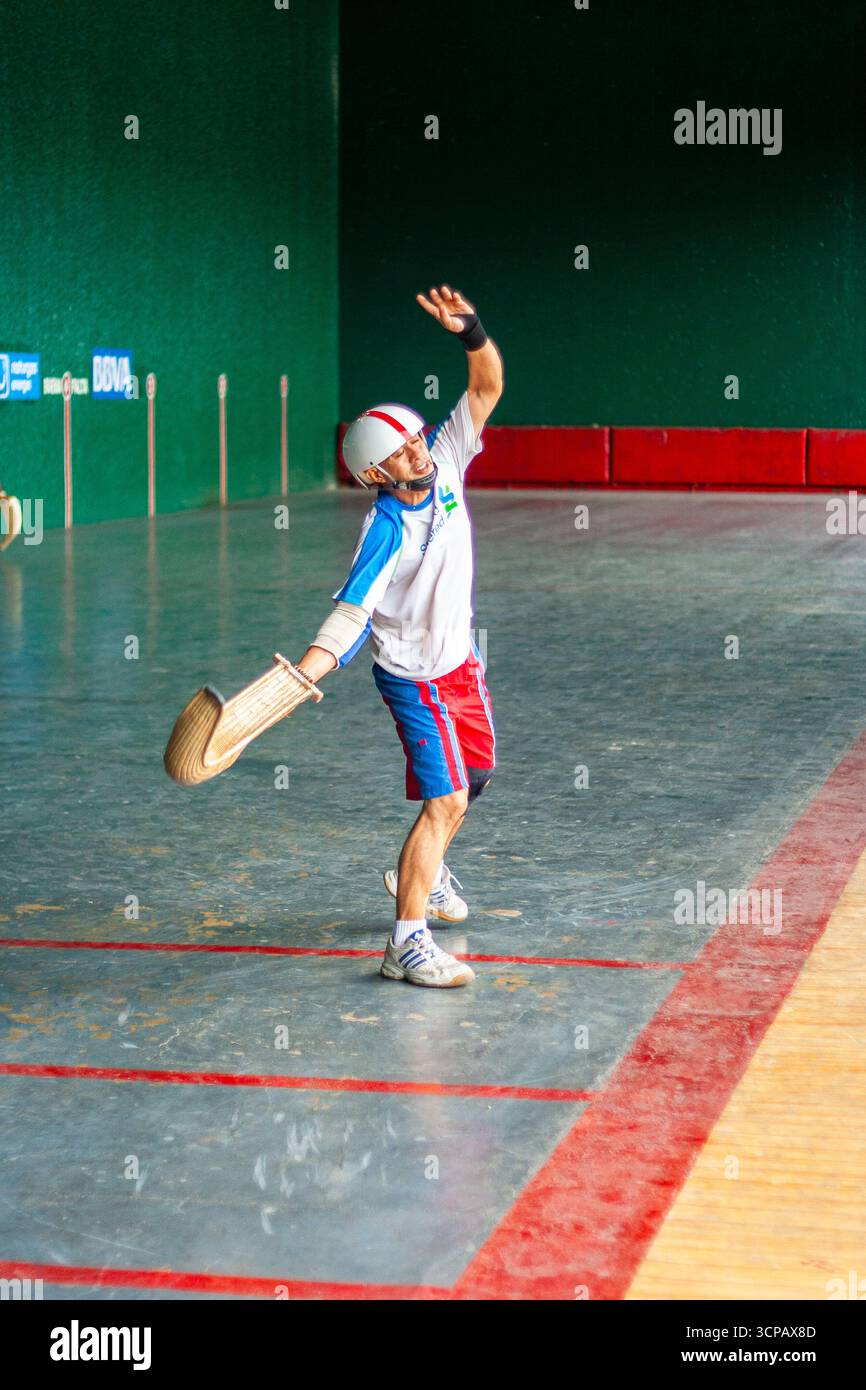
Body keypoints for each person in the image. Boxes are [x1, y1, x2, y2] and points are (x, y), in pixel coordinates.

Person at [293, 285, 504, 988]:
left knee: (474, 779)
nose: (417, 451)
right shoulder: (384, 529)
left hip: (460, 664)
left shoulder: (446, 460)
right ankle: (405, 945)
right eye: (401, 450)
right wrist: (310, 669)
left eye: (415, 439)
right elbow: (352, 611)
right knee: (444, 802)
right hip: (415, 678)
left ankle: (428, 868)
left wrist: (469, 331)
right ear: (375, 472)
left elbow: (487, 385)